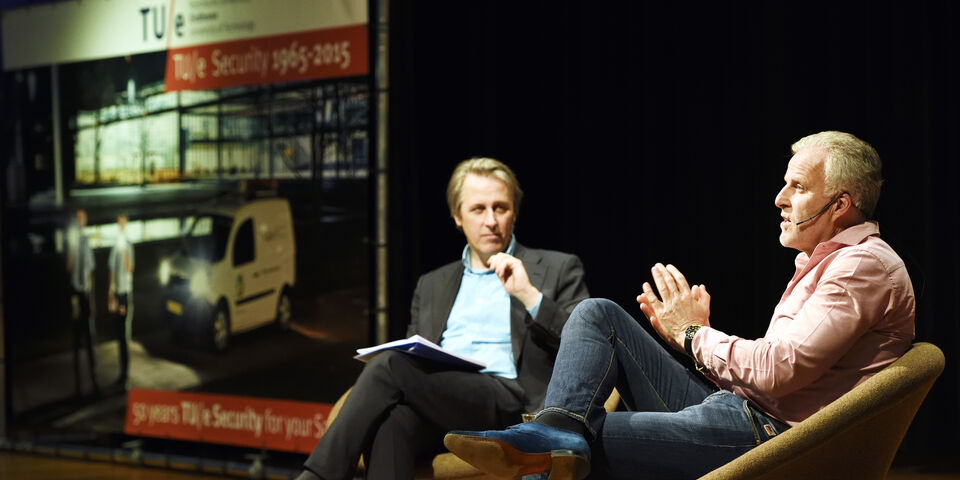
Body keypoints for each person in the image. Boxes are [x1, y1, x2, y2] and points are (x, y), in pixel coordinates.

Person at [444, 131, 916, 479]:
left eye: (798, 187)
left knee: (576, 447)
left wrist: (695, 335)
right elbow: (780, 375)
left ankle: (558, 435)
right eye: (784, 185)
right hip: (740, 411)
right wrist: (694, 343)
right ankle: (558, 427)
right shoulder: (829, 262)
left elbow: (779, 370)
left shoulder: (861, 267)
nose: (779, 199)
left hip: (767, 437)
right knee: (598, 315)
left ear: (840, 205)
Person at [296, 158, 590, 480]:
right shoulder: (432, 283)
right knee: (392, 422)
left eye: (501, 208)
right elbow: (415, 358)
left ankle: (318, 475)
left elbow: (588, 344)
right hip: (441, 397)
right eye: (478, 209)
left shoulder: (557, 268)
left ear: (514, 213)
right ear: (457, 216)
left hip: (507, 398)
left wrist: (530, 297)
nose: (491, 220)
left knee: (389, 365)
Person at [66, 208, 99, 395]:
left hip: (85, 293)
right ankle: (78, 382)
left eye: (82, 218)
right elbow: (69, 267)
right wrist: (71, 249)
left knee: (90, 335)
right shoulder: (72, 240)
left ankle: (94, 379)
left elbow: (90, 271)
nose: (80, 221)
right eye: (77, 218)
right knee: (77, 336)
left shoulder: (86, 241)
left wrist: (93, 300)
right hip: (75, 293)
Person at [108, 213, 135, 389]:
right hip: (117, 293)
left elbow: (130, 268)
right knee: (118, 332)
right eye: (119, 223)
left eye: (123, 223)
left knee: (124, 334)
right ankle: (121, 372)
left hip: (125, 293)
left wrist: (125, 251)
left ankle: (125, 373)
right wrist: (110, 292)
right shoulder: (115, 246)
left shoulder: (128, 246)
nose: (121, 226)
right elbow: (111, 268)